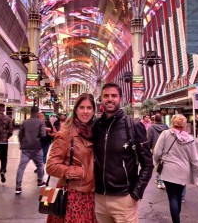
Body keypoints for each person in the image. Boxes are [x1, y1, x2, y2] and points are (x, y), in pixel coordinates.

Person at [93, 82, 154, 223]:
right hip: (99, 198)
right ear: (101, 99)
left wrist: (135, 194)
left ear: (120, 98)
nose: (110, 99)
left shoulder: (132, 125)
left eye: (114, 96)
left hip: (124, 199)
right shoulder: (96, 126)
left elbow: (148, 164)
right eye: (106, 96)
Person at [46, 93, 96, 223]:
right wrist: (77, 171)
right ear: (76, 110)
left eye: (89, 108)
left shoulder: (97, 132)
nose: (85, 111)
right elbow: (51, 166)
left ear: (94, 110)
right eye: (82, 107)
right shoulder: (65, 134)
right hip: (72, 195)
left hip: (94, 195)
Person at [154, 114, 198, 223]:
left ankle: (176, 221)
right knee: (179, 195)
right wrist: (196, 177)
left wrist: (156, 163)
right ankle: (177, 219)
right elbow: (195, 160)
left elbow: (157, 152)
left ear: (172, 123)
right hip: (183, 172)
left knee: (172, 197)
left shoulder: (165, 134)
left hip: (168, 170)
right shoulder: (189, 139)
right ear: (184, 125)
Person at [15, 106, 46, 194]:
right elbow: (43, 135)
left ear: (30, 112)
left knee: (21, 167)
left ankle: (18, 186)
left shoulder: (25, 122)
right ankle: (40, 181)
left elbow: (20, 134)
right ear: (37, 112)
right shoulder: (40, 122)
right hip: (36, 147)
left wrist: (22, 143)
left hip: (26, 148)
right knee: (40, 165)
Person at [147, 113, 169, 189]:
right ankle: (158, 178)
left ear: (154, 119)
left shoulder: (151, 128)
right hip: (165, 148)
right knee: (162, 163)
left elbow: (148, 139)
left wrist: (149, 148)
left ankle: (160, 181)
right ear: (161, 119)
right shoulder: (166, 127)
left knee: (159, 164)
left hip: (155, 148)